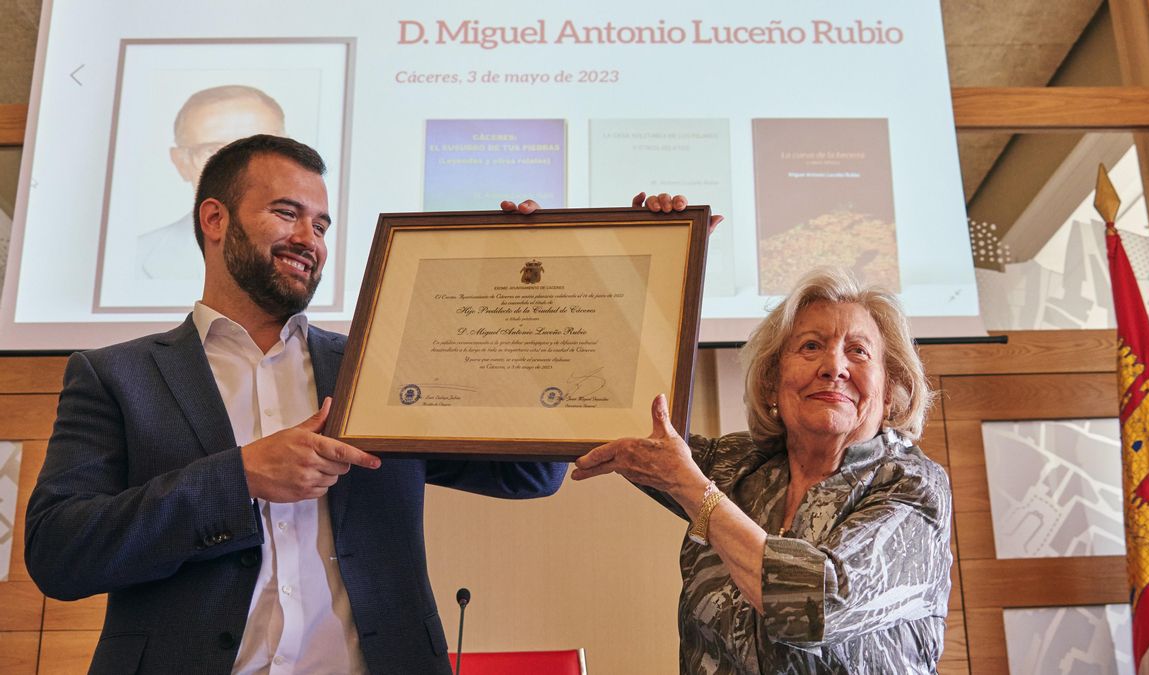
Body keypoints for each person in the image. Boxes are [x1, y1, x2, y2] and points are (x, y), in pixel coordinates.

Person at [26, 134, 566, 674]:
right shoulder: (117, 376)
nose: (309, 239)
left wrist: (521, 300)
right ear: (215, 219)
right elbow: (59, 552)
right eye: (287, 213)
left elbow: (529, 474)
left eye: (322, 225)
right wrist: (239, 479)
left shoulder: (381, 368)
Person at [572, 267, 952, 673]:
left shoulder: (912, 484)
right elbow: (600, 406)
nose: (833, 367)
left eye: (858, 351)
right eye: (810, 346)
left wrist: (693, 490)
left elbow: (818, 604)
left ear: (890, 388)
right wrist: (660, 268)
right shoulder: (737, 463)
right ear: (772, 382)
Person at [136, 85, 286, 280]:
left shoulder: (318, 253)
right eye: (213, 151)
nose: (238, 168)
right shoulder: (136, 257)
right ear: (181, 162)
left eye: (258, 149)